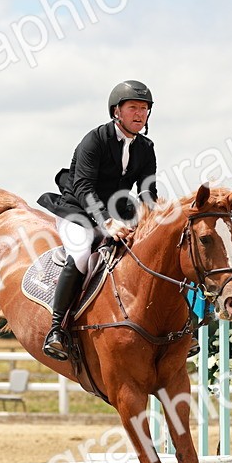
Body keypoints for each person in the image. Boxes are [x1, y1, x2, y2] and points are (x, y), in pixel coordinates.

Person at [36, 80, 159, 361]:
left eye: (144, 109)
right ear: (117, 111)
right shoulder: (95, 140)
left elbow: (147, 190)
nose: (140, 114)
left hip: (118, 213)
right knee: (80, 254)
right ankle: (57, 329)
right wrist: (105, 222)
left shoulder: (146, 147)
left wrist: (153, 218)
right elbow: (82, 187)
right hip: (77, 211)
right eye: (133, 108)